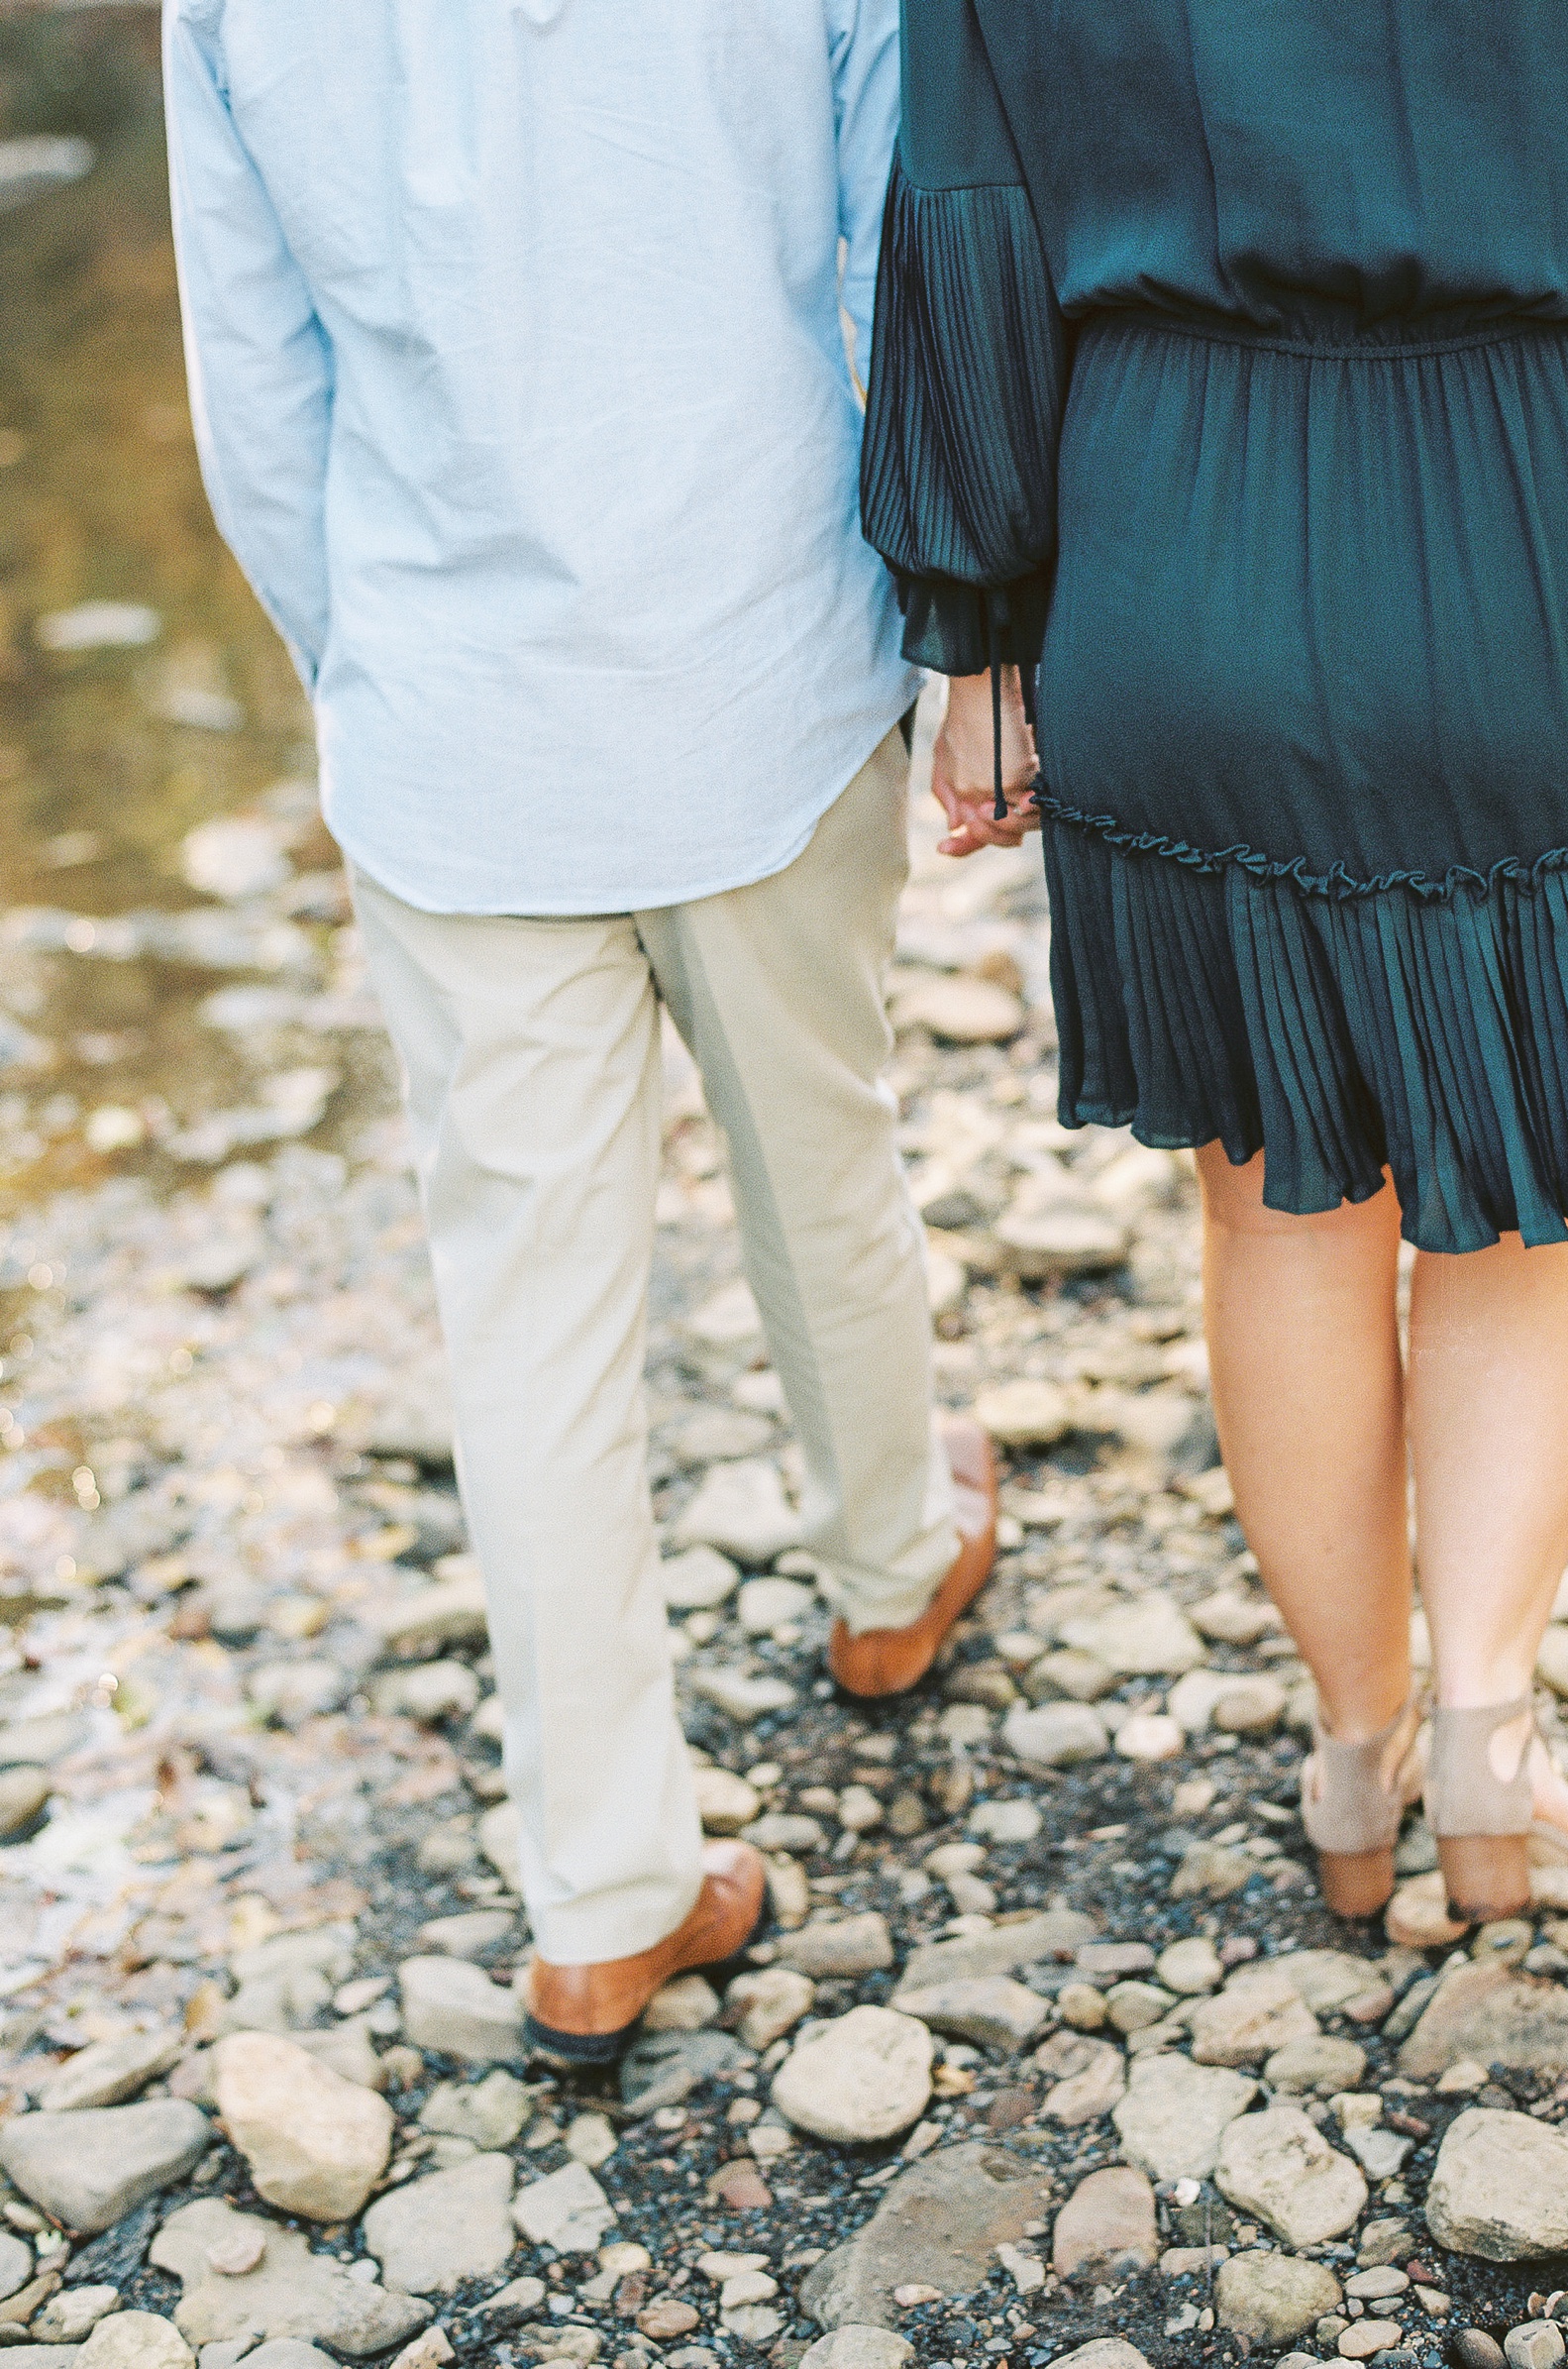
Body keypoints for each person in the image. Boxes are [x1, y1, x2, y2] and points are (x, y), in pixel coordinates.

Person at [863, 0, 1568, 1926]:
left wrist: (976, 619)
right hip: (1528, 520)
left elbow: (970, 192)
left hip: (1173, 526)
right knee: (1531, 1199)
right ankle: (1485, 1727)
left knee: (1275, 1203)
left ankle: (1355, 1741)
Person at [161, 0, 998, 2062]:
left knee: (524, 1312)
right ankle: (893, 1566)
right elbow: (898, 245)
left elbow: (255, 386)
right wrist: (933, 593)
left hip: (463, 724)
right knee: (826, 1140)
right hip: (758, 654)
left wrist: (365, 656)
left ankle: (605, 1895)